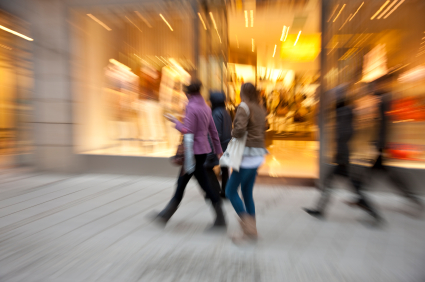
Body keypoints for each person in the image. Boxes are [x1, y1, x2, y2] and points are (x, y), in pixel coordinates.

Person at [303, 84, 383, 224]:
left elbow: (344, 134)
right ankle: (320, 209)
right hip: (343, 156)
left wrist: (340, 153)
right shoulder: (345, 111)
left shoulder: (343, 112)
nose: (333, 98)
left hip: (342, 157)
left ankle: (372, 212)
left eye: (335, 95)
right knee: (333, 182)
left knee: (350, 186)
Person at [346, 75, 423, 212]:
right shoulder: (383, 99)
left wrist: (379, 144)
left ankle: (409, 197)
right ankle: (361, 197)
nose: (373, 88)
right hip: (381, 145)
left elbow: (384, 126)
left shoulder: (384, 101)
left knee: (384, 175)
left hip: (381, 145)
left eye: (375, 85)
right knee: (376, 173)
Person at [155, 80, 226, 227]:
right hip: (201, 152)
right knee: (183, 182)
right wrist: (218, 150)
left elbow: (187, 130)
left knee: (203, 185)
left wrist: (175, 121)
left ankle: (221, 218)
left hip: (192, 153)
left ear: (188, 94)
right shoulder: (206, 107)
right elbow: (213, 131)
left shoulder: (191, 107)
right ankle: (166, 214)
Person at [225, 83, 267, 241]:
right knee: (247, 193)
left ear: (242, 93)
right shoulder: (260, 108)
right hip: (257, 156)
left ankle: (248, 229)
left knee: (230, 191)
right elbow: (265, 127)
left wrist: (233, 132)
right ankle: (252, 230)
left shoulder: (244, 106)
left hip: (245, 157)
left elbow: (240, 129)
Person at [205, 92, 232, 198]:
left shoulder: (216, 113)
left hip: (219, 147)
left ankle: (215, 190)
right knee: (225, 168)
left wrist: (211, 152)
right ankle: (226, 191)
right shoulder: (226, 112)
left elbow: (215, 134)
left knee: (207, 167)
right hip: (227, 145)